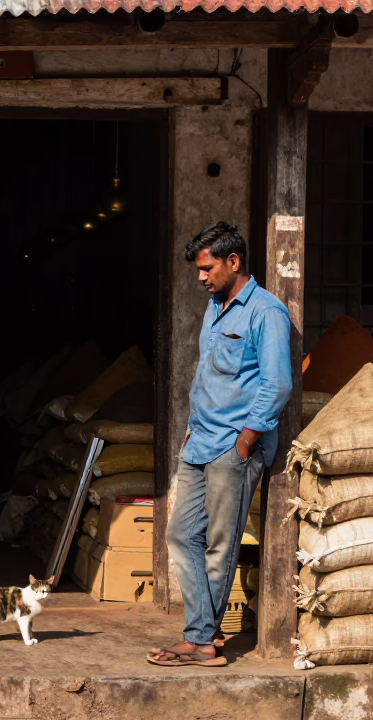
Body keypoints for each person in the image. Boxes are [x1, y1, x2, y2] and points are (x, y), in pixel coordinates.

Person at [147, 221, 292, 668]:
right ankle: (203, 635)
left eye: (207, 268)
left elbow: (277, 383)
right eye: (198, 269)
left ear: (233, 261)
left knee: (219, 545)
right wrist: (192, 426)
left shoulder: (266, 312)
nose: (201, 277)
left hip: (234, 446)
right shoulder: (215, 307)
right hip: (200, 440)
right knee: (180, 534)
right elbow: (208, 372)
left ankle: (202, 642)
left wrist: (246, 441)